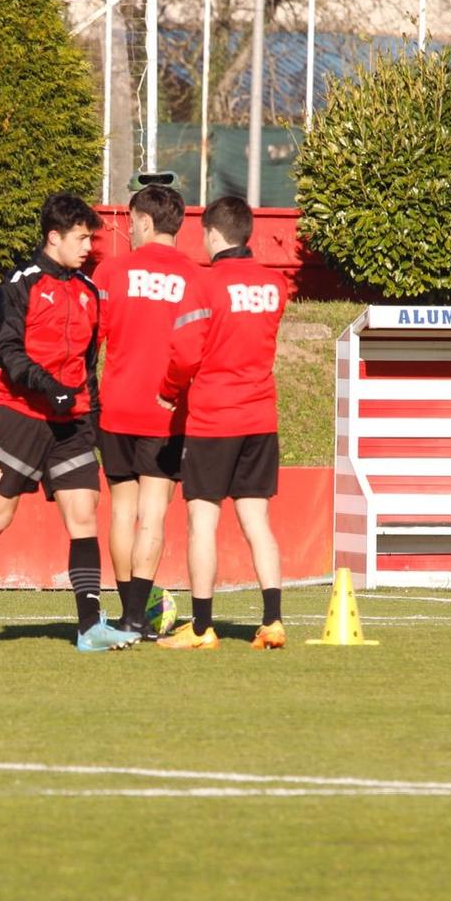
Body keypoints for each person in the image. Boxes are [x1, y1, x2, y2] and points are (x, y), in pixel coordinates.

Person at [0, 193, 135, 653]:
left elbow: (90, 365)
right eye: (80, 239)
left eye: (91, 239)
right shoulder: (19, 285)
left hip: (70, 424)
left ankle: (89, 626)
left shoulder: (90, 292)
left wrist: (92, 420)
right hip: (21, 417)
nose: (88, 247)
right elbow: (8, 351)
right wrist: (44, 383)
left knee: (83, 514)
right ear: (53, 238)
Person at [156, 193, 287, 650]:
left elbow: (185, 352)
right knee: (257, 521)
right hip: (260, 416)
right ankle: (273, 620)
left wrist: (168, 391)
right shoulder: (275, 286)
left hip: (213, 417)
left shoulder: (205, 284)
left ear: (211, 234)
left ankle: (200, 627)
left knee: (202, 522)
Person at [93, 183, 200, 636]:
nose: (128, 230)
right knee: (153, 514)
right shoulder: (198, 277)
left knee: (121, 511)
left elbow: (87, 342)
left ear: (145, 221)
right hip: (168, 412)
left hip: (115, 407)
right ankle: (139, 614)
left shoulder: (110, 273)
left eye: (131, 222)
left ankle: (125, 611)